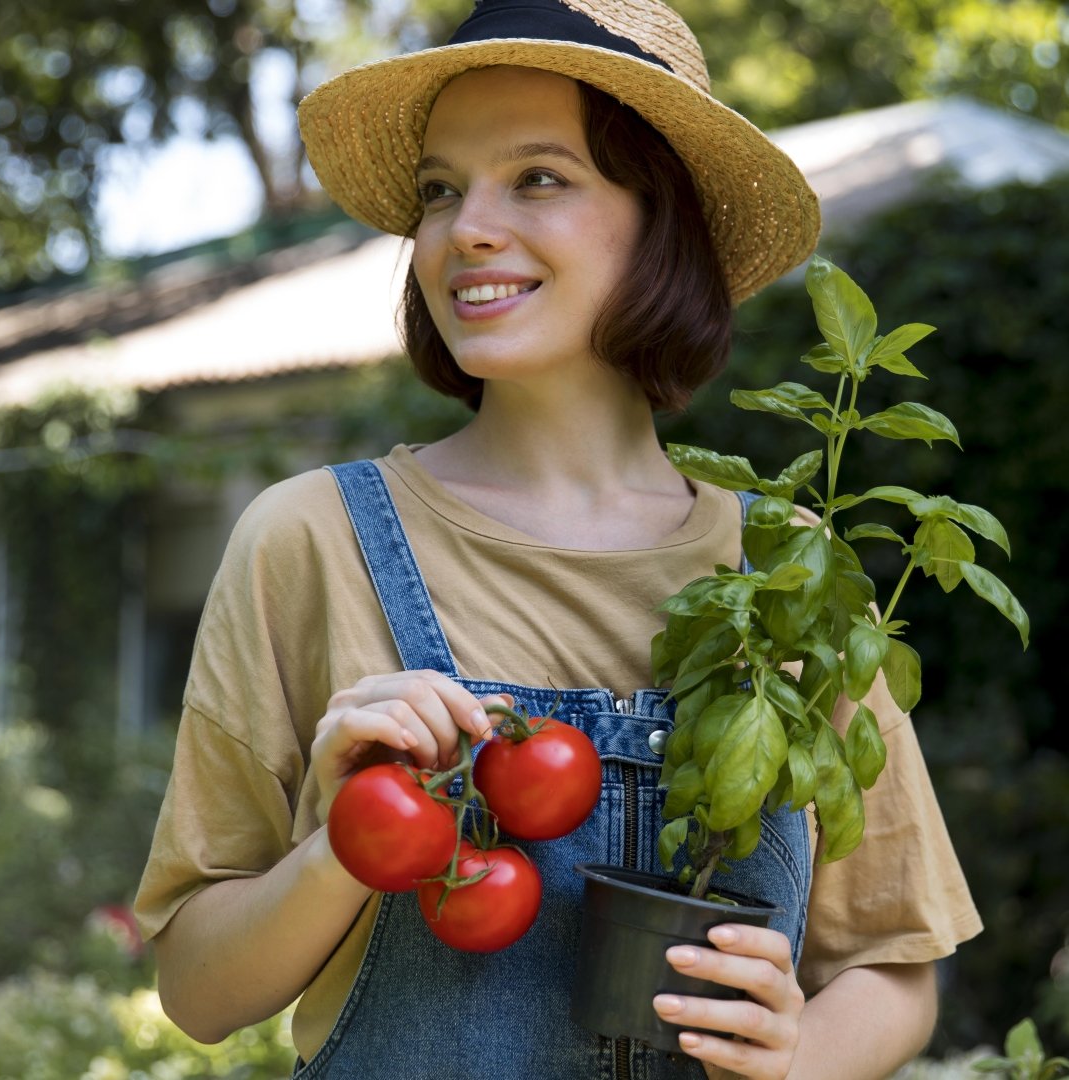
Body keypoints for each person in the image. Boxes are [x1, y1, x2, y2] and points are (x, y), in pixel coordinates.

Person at [134, 2, 983, 1077]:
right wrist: (344, 844)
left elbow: (896, 963)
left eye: (537, 177)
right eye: (442, 189)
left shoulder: (791, 575)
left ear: (663, 222)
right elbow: (198, 994)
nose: (465, 228)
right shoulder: (309, 540)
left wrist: (801, 1051)